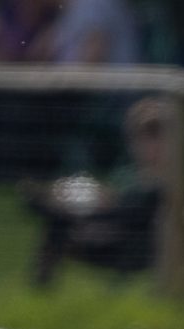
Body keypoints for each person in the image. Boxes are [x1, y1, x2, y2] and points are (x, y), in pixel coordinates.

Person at [22, 94, 165, 284]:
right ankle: (51, 202)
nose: (144, 145)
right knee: (60, 220)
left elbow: (134, 213)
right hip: (107, 228)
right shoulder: (130, 173)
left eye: (153, 136)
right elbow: (118, 199)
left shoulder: (170, 179)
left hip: (130, 245)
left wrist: (102, 207)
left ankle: (48, 202)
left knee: (61, 217)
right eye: (139, 137)